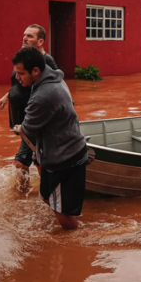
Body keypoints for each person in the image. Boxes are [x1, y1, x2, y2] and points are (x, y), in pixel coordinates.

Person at [11, 47, 87, 230]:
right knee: (46, 196)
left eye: (21, 74)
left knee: (62, 212)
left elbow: (28, 128)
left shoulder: (44, 95)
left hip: (64, 159)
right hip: (60, 152)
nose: (17, 78)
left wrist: (20, 127)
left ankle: (73, 243)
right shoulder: (54, 78)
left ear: (36, 71)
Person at [0, 24, 59, 176]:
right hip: (24, 118)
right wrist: (8, 96)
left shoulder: (46, 61)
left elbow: (54, 87)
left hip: (36, 119)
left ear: (40, 42)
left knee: (22, 161)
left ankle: (32, 196)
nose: (24, 38)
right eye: (24, 35)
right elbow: (20, 82)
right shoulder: (24, 59)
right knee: (37, 156)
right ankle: (40, 191)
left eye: (30, 36)